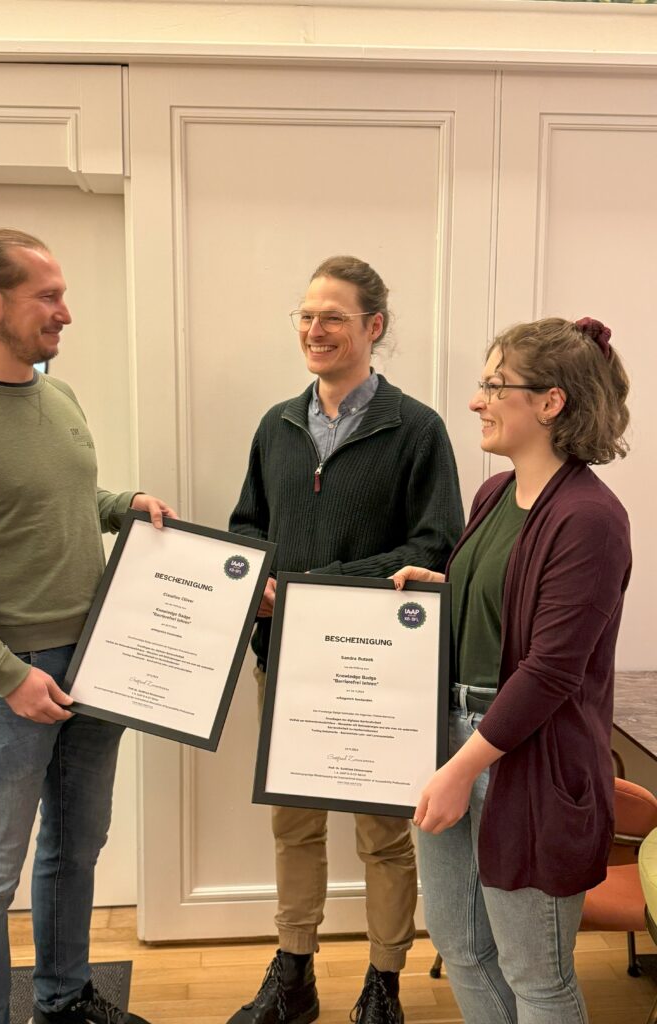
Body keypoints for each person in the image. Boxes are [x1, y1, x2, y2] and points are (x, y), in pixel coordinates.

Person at [0, 228, 177, 1024]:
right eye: (47, 297)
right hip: (3, 680)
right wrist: (4, 674)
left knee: (76, 849)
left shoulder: (59, 397)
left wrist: (123, 506)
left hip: (96, 662)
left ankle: (63, 999)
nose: (65, 313)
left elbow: (53, 503)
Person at [228, 255, 464, 1024]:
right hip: (284, 662)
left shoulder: (418, 429)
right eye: (304, 315)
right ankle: (293, 973)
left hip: (379, 670)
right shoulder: (278, 424)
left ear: (374, 327)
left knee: (384, 836)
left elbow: (436, 545)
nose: (314, 329)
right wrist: (258, 578)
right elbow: (247, 526)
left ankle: (383, 984)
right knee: (292, 825)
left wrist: (313, 585)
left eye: (332, 316)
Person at [392, 316, 632, 1024]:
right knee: (461, 947)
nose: (476, 401)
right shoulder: (493, 497)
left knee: (538, 974)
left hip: (526, 762)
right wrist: (447, 588)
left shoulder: (590, 518)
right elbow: (513, 602)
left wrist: (461, 769)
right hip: (453, 739)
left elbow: (551, 669)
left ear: (551, 403)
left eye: (495, 385)